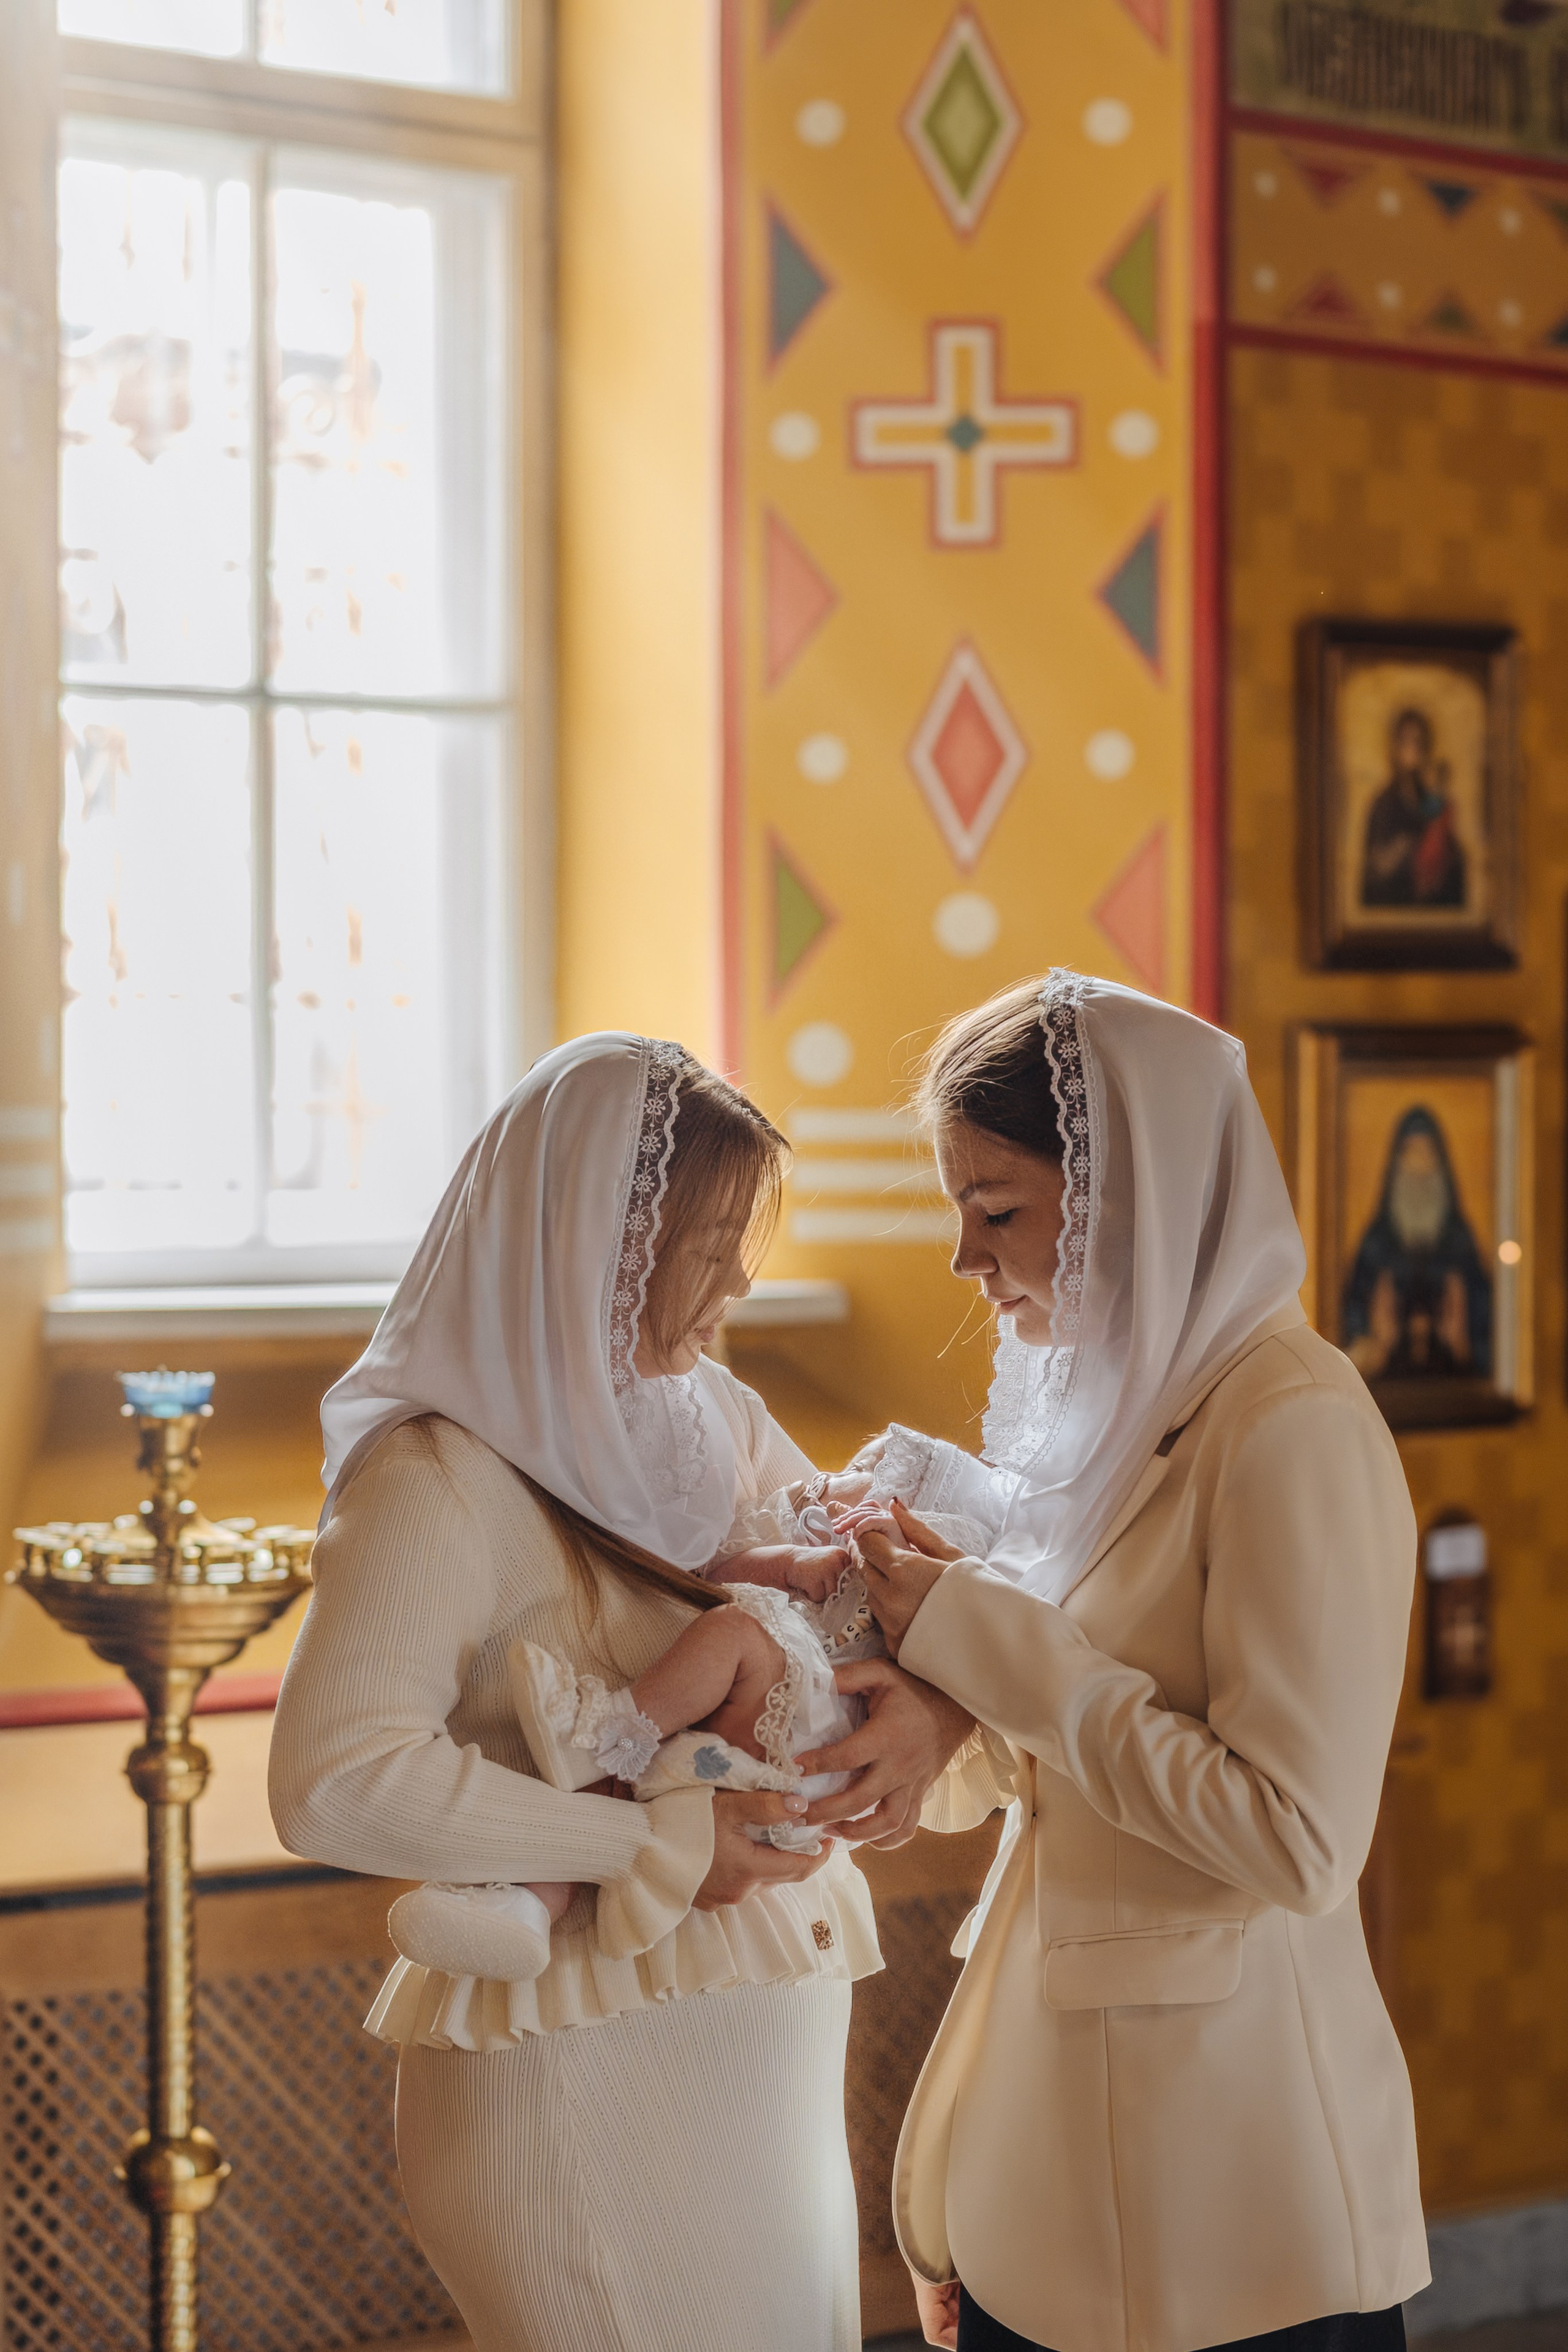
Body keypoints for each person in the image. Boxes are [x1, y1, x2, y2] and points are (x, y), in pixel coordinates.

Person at [268, 1033, 971, 2352]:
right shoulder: (434, 1478)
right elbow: (335, 1782)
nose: (741, 1278)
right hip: (581, 2081)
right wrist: (642, 1843)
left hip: (761, 2071)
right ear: (595, 1244)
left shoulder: (710, 1419)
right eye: (709, 1243)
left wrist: (925, 1722)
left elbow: (826, 1627)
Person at [797, 973, 1429, 2352]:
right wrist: (927, 1713)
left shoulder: (1292, 1425)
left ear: (1131, 1195)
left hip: (1227, 2201)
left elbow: (1295, 1840)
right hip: (1053, 2168)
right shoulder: (1118, 1424)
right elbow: (1074, 1745)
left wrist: (981, 1634)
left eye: (997, 1211)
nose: (964, 1261)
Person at [1341, 1105, 1491, 1381]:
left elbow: (1484, 1327)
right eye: (1411, 1153)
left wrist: (1463, 1339)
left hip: (1456, 1389)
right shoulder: (1376, 1243)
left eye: (1427, 1153)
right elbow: (1353, 1319)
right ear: (1396, 1162)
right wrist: (1374, 1342)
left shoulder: (1460, 1241)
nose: (1419, 1166)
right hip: (1386, 1390)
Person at [1360, 706, 1466, 908]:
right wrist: (1405, 849)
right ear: (1395, 747)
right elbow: (1377, 868)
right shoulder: (1384, 804)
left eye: (1418, 742)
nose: (1412, 749)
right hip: (1394, 903)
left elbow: (1436, 830)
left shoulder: (1428, 799)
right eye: (1406, 741)